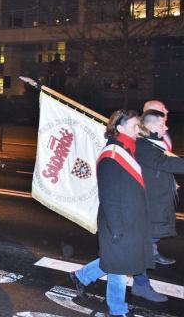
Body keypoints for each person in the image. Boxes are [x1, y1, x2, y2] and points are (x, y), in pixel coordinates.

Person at [71, 110, 154, 317]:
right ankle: (117, 311)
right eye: (135, 126)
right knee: (118, 267)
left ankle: (81, 276)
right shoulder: (112, 155)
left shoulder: (129, 148)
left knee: (115, 260)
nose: (138, 130)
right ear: (120, 128)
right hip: (116, 222)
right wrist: (116, 227)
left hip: (128, 219)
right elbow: (108, 196)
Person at [129, 109, 184, 302]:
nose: (166, 127)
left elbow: (162, 168)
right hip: (147, 208)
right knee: (137, 249)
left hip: (154, 207)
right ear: (150, 126)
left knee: (136, 248)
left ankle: (83, 275)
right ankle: (141, 286)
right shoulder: (144, 146)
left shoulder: (152, 145)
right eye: (162, 124)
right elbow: (167, 164)